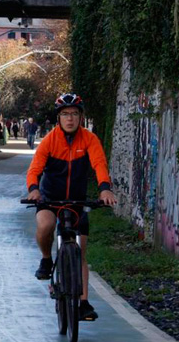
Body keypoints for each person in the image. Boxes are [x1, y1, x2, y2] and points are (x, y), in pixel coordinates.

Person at [24, 93, 117, 321]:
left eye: (74, 114)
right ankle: (47, 259)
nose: (70, 118)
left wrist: (105, 189)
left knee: (80, 250)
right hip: (50, 199)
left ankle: (83, 303)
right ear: (59, 118)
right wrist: (34, 190)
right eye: (65, 114)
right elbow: (34, 169)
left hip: (77, 201)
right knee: (45, 225)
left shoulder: (89, 139)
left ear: (81, 117)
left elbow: (99, 164)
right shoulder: (49, 141)